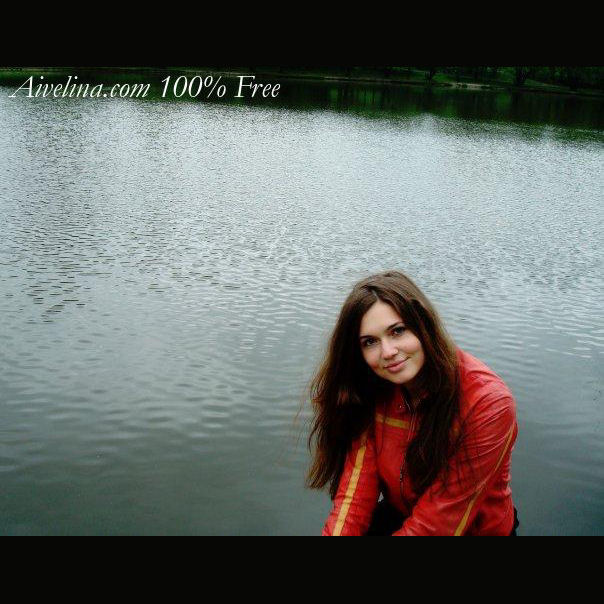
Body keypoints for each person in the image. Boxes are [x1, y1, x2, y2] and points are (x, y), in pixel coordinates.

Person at [306, 271, 519, 536]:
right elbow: (355, 496)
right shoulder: (374, 388)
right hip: (402, 516)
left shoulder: (487, 403)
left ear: (423, 324)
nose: (388, 352)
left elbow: (439, 523)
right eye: (370, 342)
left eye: (397, 331)